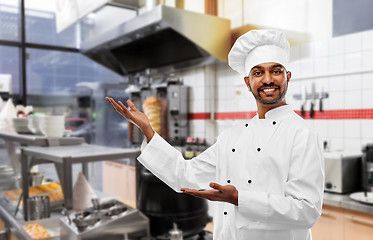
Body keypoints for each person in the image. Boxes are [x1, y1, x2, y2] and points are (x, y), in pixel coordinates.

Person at [105, 29, 324, 240]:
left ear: (288, 76)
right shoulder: (232, 137)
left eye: (276, 71)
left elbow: (306, 210)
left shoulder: (301, 133)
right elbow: (185, 174)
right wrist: (148, 131)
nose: (267, 79)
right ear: (248, 83)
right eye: (258, 72)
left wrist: (239, 198)